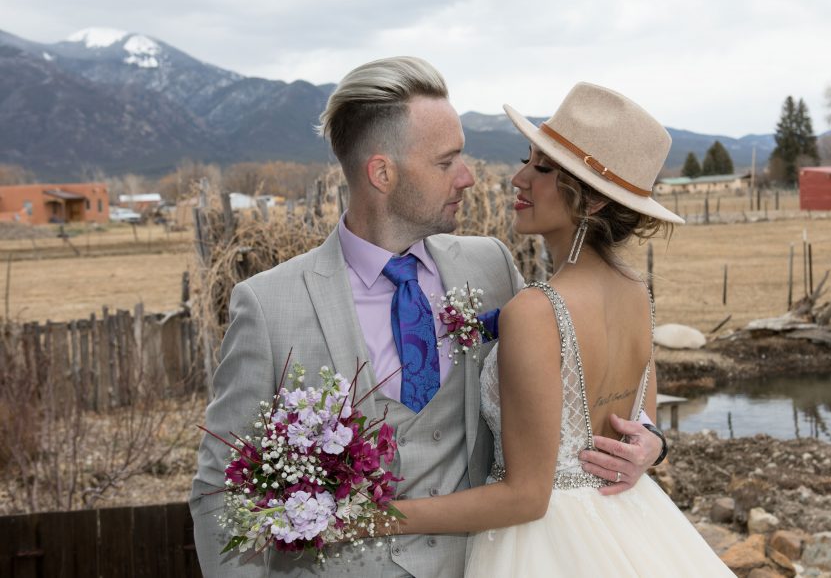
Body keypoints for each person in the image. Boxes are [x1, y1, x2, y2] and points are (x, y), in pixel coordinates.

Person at [188, 58, 663, 578]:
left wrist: (651, 443)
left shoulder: (492, 267)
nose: (470, 178)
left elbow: (582, 375)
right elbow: (221, 491)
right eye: (447, 162)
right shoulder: (268, 305)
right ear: (382, 172)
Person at [374, 82, 736, 576]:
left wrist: (377, 518)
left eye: (542, 169)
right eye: (528, 159)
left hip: (546, 549)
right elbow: (640, 427)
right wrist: (653, 446)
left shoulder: (535, 312)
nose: (518, 179)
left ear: (591, 203)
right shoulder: (637, 291)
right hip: (630, 524)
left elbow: (525, 498)